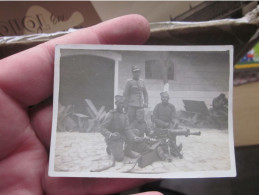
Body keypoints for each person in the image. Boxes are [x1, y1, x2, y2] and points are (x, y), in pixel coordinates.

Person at [0, 14, 162, 195]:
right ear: (118, 103)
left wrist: (135, 135)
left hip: (132, 119)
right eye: (120, 104)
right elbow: (102, 125)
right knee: (117, 152)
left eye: (139, 72)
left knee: (132, 136)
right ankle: (113, 147)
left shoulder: (131, 102)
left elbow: (129, 126)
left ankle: (129, 148)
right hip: (117, 131)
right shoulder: (119, 101)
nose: (138, 74)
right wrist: (111, 134)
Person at [101, 95, 129, 162]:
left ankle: (128, 150)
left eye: (123, 103)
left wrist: (134, 137)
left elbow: (127, 129)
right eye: (120, 103)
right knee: (119, 158)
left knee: (135, 131)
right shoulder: (111, 114)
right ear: (116, 104)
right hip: (113, 138)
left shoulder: (124, 115)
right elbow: (102, 128)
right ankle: (110, 148)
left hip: (120, 137)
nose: (122, 105)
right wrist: (110, 134)